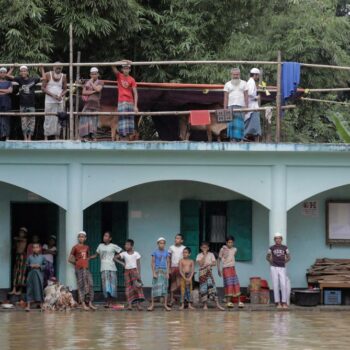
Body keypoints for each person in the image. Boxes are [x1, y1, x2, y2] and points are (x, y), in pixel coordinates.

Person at [6, 65, 44, 141]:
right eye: (22, 71)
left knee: (32, 121)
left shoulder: (33, 79)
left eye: (25, 71)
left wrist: (42, 68)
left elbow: (44, 78)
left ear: (27, 72)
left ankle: (29, 138)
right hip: (22, 104)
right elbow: (7, 75)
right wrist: (12, 68)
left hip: (32, 104)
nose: (23, 72)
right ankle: (25, 138)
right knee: (24, 121)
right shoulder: (19, 79)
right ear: (20, 73)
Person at [68, 231, 96, 311]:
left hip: (86, 269)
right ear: (78, 238)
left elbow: (87, 257)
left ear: (85, 238)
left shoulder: (87, 247)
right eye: (80, 236)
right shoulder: (75, 247)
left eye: (83, 236)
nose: (81, 238)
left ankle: (90, 303)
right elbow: (70, 259)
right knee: (81, 286)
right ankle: (83, 303)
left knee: (90, 284)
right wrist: (76, 263)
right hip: (79, 269)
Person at [94, 231, 122, 308]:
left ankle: (113, 302)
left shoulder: (113, 246)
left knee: (113, 285)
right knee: (105, 286)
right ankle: (107, 302)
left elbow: (121, 252)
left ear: (110, 238)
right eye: (104, 236)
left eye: (106, 236)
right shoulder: (100, 246)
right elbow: (96, 255)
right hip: (104, 268)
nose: (105, 237)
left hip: (112, 267)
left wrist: (116, 258)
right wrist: (88, 258)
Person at [111, 60, 138, 141]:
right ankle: (123, 138)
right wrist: (124, 60)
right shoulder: (119, 76)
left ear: (129, 70)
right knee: (122, 120)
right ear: (122, 69)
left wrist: (135, 106)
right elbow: (112, 65)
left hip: (130, 102)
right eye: (124, 68)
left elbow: (135, 93)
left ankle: (128, 139)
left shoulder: (132, 79)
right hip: (122, 101)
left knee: (130, 120)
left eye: (127, 68)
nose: (126, 70)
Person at [41, 62, 67, 140]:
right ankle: (46, 137)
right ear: (53, 68)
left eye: (60, 68)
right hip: (49, 101)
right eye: (57, 68)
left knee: (59, 118)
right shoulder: (47, 74)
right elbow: (42, 88)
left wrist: (61, 95)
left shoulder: (64, 76)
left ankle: (57, 137)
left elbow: (65, 89)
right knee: (48, 118)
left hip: (59, 101)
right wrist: (52, 95)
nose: (58, 70)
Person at [196, 242, 224, 310]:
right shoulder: (199, 255)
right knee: (203, 289)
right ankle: (205, 305)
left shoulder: (211, 254)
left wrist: (209, 264)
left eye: (206, 247)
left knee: (213, 288)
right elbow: (200, 264)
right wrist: (205, 255)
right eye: (203, 247)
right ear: (201, 248)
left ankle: (217, 304)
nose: (204, 248)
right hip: (202, 273)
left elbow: (214, 263)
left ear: (208, 248)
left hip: (209, 272)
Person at [117, 239, 145, 310]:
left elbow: (138, 265)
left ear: (132, 246)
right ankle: (129, 305)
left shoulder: (136, 254)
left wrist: (139, 274)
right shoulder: (124, 254)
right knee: (128, 288)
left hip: (135, 271)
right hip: (127, 272)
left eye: (127, 244)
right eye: (125, 244)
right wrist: (122, 263)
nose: (125, 246)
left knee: (137, 288)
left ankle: (139, 305)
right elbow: (114, 258)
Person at [218, 236, 244, 308]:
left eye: (231, 242)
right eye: (229, 242)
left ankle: (239, 302)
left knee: (235, 283)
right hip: (226, 269)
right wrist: (218, 269)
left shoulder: (235, 249)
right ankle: (228, 302)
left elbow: (233, 256)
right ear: (226, 243)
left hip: (233, 268)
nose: (230, 244)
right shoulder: (222, 249)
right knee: (228, 284)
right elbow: (219, 259)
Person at [266, 232, 291, 309]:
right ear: (274, 240)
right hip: (274, 267)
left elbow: (289, 257)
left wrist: (284, 262)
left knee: (283, 284)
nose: (278, 240)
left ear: (281, 239)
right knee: (275, 284)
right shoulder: (271, 248)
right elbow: (267, 257)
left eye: (279, 238)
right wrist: (272, 262)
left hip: (282, 267)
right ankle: (277, 302)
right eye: (276, 238)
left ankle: (284, 302)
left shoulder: (285, 248)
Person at [223, 67, 248, 142]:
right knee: (231, 123)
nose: (235, 76)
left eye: (237, 74)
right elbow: (225, 97)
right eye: (234, 74)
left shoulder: (244, 83)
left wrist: (246, 106)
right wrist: (225, 108)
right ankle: (232, 139)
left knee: (240, 123)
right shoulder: (227, 84)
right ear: (231, 75)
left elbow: (246, 95)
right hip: (230, 106)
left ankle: (240, 139)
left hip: (241, 106)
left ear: (239, 74)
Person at [79, 67, 104, 141]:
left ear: (98, 74)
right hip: (87, 104)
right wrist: (93, 91)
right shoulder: (87, 82)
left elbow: (98, 89)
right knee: (85, 119)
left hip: (95, 105)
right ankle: (85, 137)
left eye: (95, 74)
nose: (94, 75)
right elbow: (84, 92)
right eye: (92, 74)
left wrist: (91, 83)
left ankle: (93, 137)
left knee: (94, 121)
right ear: (90, 75)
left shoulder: (100, 82)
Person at [148, 237, 171, 311]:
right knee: (154, 288)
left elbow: (168, 262)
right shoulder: (154, 252)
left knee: (165, 288)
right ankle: (152, 305)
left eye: (163, 243)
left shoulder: (166, 252)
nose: (162, 244)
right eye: (160, 243)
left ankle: (165, 305)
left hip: (164, 271)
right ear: (158, 244)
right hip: (157, 271)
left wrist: (167, 273)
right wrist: (153, 272)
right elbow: (152, 263)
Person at [25, 242, 46, 311]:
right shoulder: (29, 257)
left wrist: (40, 266)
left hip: (39, 275)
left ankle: (41, 305)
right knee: (30, 289)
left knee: (39, 289)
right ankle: (28, 306)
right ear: (32, 249)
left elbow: (45, 265)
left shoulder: (42, 257)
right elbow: (26, 265)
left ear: (39, 249)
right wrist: (31, 266)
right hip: (31, 275)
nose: (35, 249)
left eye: (37, 247)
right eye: (34, 247)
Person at [168, 233, 185, 305]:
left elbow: (185, 258)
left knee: (179, 284)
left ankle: (181, 299)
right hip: (173, 267)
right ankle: (172, 299)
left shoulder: (184, 248)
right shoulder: (171, 247)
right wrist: (169, 268)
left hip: (181, 267)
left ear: (181, 240)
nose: (176, 239)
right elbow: (169, 258)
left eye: (178, 238)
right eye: (175, 238)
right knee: (173, 283)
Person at [9, 227, 28, 295]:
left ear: (25, 234)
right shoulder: (17, 240)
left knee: (22, 273)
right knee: (15, 272)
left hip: (23, 257)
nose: (21, 233)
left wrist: (15, 239)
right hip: (17, 256)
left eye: (22, 232)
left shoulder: (24, 239)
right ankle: (14, 289)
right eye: (20, 232)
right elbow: (14, 247)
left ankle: (20, 290)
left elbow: (18, 239)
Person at [245, 68, 262, 142]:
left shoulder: (250, 82)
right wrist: (256, 97)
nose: (258, 77)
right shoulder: (251, 82)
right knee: (251, 121)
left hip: (252, 105)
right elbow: (250, 93)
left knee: (251, 122)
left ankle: (250, 136)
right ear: (255, 75)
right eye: (257, 75)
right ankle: (245, 135)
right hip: (252, 105)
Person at [0, 67, 13, 141]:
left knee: (7, 120)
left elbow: (10, 91)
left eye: (4, 72)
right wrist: (6, 91)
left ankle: (7, 137)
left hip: (6, 103)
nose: (2, 74)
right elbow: (7, 91)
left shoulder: (9, 82)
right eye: (1, 72)